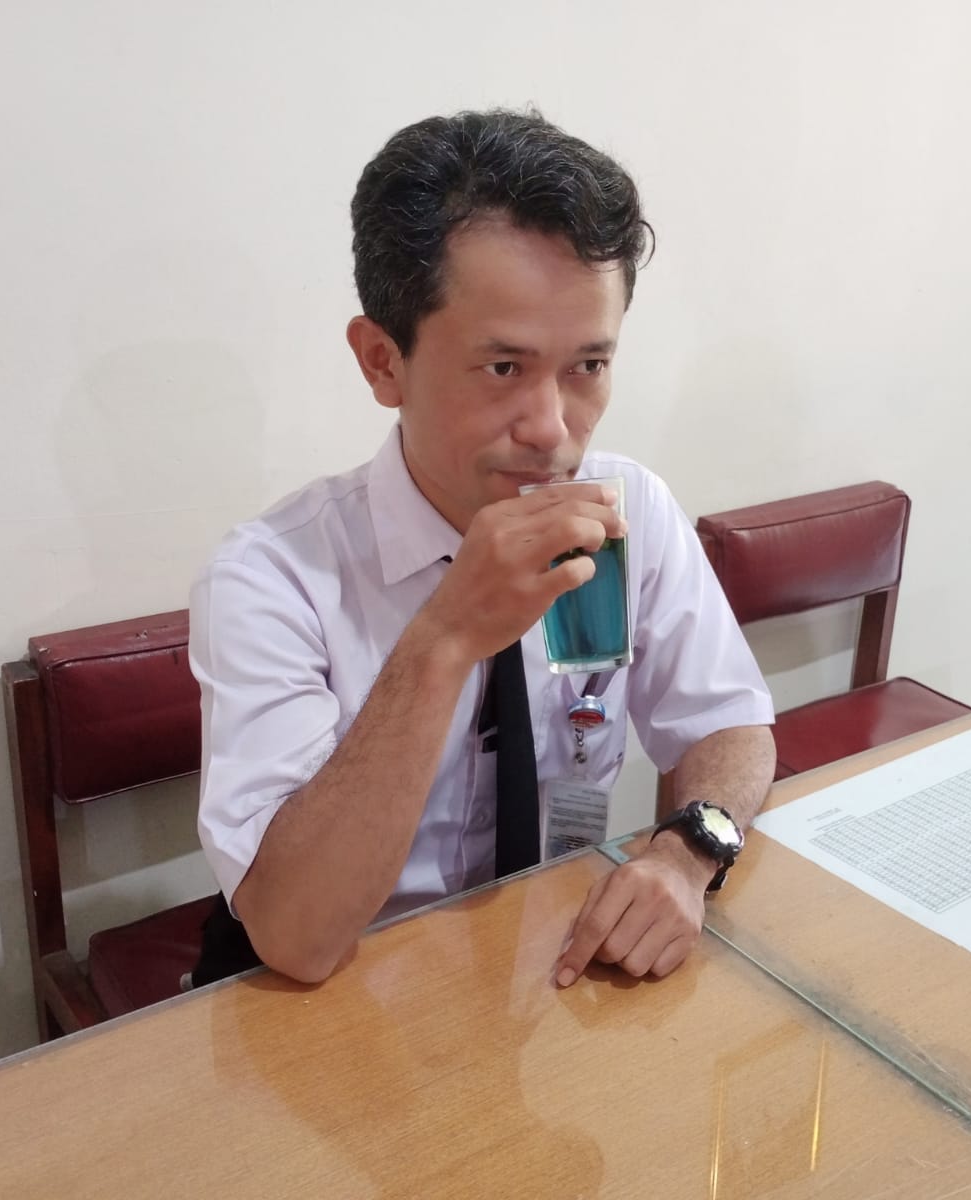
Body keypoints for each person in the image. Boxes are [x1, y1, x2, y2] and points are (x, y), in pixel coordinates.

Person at [189, 109, 775, 990]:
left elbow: (729, 723)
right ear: (382, 361)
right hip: (342, 992)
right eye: (504, 369)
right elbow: (297, 936)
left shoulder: (628, 512)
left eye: (587, 367)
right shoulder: (273, 578)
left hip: (550, 967)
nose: (552, 430)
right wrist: (445, 637)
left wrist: (688, 851)